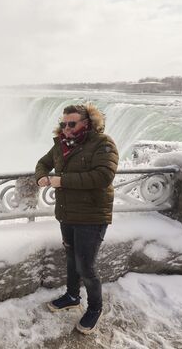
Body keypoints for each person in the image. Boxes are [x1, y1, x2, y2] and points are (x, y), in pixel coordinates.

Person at [34, 103, 118, 335]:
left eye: (72, 123)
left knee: (86, 266)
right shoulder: (61, 144)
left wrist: (63, 181)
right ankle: (72, 296)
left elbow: (103, 176)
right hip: (67, 213)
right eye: (63, 124)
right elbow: (43, 163)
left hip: (91, 216)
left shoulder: (103, 143)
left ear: (87, 123)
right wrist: (41, 177)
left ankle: (94, 309)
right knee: (71, 257)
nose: (67, 128)